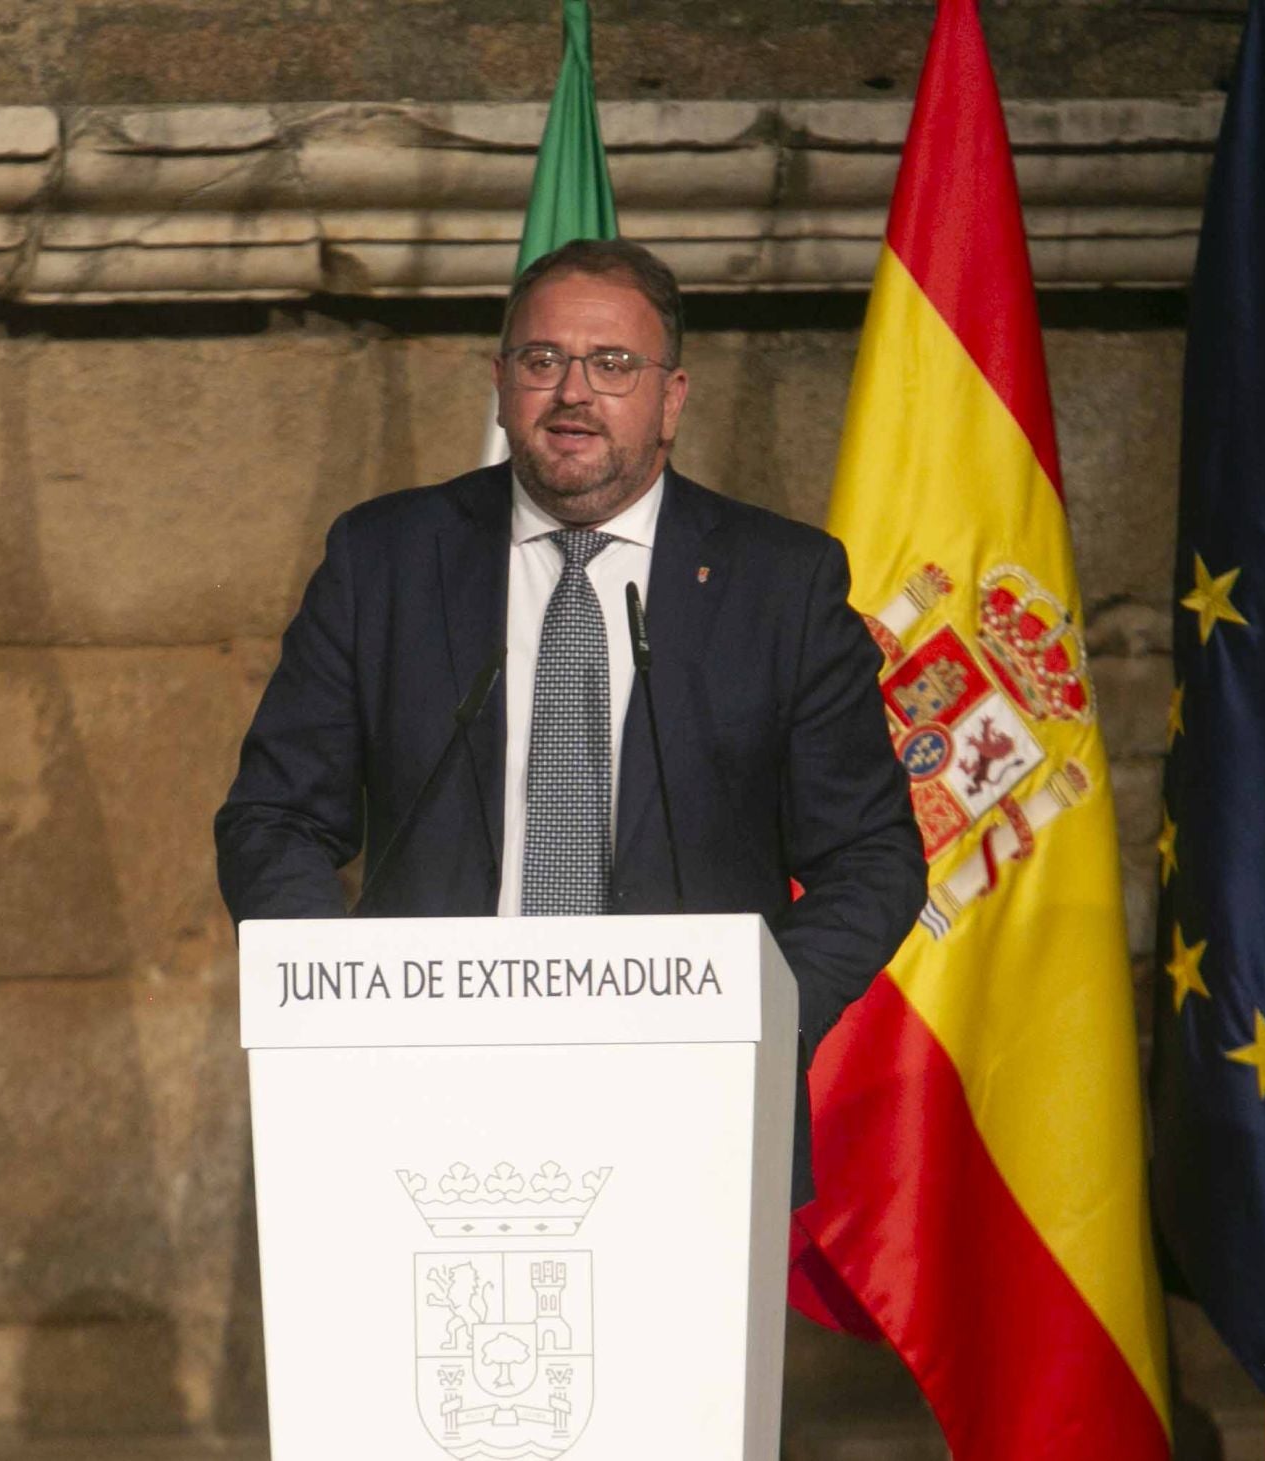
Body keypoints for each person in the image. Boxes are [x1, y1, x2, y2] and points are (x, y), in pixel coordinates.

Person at [215, 238, 927, 1203]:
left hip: (693, 1106)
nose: (574, 393)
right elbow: (274, 818)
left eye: (614, 364)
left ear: (671, 397)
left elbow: (872, 856)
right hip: (418, 1095)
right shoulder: (385, 559)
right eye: (543, 360)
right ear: (501, 384)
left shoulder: (779, 583)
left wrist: (761, 1014)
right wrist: (341, 1000)